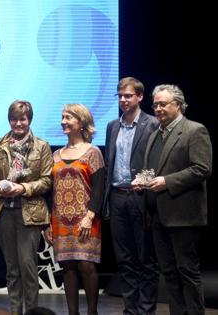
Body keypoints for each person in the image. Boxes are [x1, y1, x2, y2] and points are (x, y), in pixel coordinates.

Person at [143, 84, 212, 315]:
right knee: (169, 274)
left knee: (187, 272)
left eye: (163, 104)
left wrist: (167, 182)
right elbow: (155, 170)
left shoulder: (194, 130)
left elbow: (202, 169)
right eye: (155, 104)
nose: (158, 108)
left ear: (179, 105)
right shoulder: (155, 134)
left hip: (183, 217)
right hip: (158, 216)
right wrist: (143, 182)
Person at [0, 100, 53, 315]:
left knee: (28, 267)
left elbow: (47, 180)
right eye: (14, 119)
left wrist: (22, 188)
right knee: (12, 269)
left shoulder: (41, 146)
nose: (18, 123)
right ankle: (15, 311)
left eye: (22, 119)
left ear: (29, 119)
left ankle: (31, 311)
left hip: (30, 213)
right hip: (4, 211)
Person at [103, 77, 159, 315]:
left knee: (145, 258)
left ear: (140, 97)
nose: (123, 100)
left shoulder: (153, 124)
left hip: (141, 196)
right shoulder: (113, 126)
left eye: (128, 96)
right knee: (124, 259)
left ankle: (146, 310)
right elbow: (109, 163)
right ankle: (130, 309)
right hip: (117, 195)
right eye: (120, 96)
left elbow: (158, 160)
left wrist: (144, 181)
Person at [44, 104, 104, 315]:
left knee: (86, 265)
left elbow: (99, 189)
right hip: (60, 219)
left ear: (81, 122)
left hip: (86, 219)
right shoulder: (56, 155)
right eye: (62, 117)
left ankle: (92, 312)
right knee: (67, 267)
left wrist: (90, 216)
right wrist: (48, 223)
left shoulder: (93, 152)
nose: (63, 121)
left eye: (69, 117)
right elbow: (51, 191)